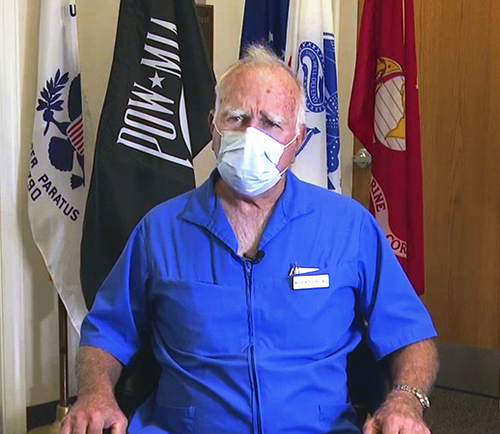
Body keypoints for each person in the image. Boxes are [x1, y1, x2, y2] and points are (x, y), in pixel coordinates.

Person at [61, 46, 438, 434]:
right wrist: (94, 394)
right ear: (213, 126)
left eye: (271, 123)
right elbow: (106, 331)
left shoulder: (349, 227)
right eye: (237, 118)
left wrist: (406, 400)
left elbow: (412, 336)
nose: (251, 136)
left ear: (298, 139)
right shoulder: (159, 230)